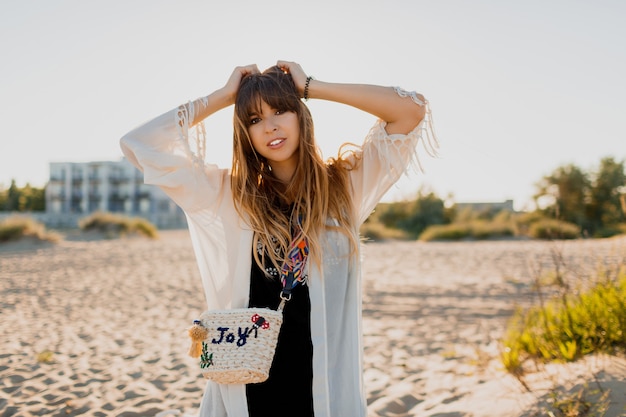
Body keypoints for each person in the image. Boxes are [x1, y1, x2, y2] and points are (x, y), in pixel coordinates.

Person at [120, 60, 437, 417]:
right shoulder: (228, 193)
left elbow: (411, 110)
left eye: (281, 110)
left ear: (301, 115)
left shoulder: (344, 186)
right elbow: (138, 143)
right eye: (254, 120)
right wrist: (225, 97)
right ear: (245, 133)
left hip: (322, 392)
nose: (270, 126)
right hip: (247, 388)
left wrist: (310, 87)